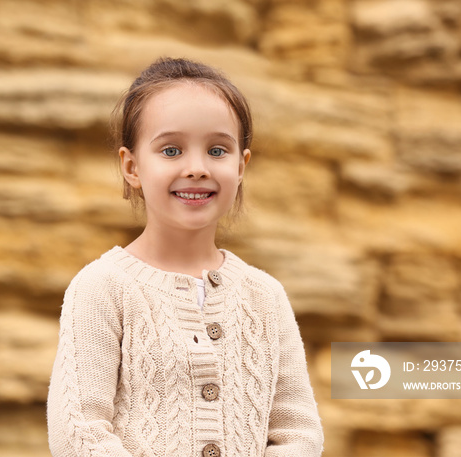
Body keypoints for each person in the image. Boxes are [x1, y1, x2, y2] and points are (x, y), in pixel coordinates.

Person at [47, 57, 324, 457]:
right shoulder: (101, 288)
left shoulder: (266, 297)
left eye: (217, 150)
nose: (196, 168)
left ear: (241, 166)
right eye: (171, 150)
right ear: (132, 166)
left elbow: (298, 432)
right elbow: (79, 431)